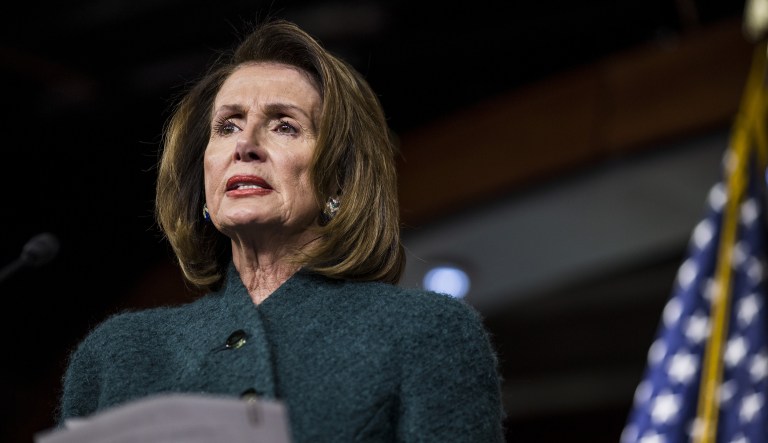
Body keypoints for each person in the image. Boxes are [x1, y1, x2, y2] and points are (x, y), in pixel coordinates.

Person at [56, 18, 506, 442]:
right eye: (227, 126)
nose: (245, 145)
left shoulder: (425, 332)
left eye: (285, 126)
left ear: (339, 181)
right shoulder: (117, 353)